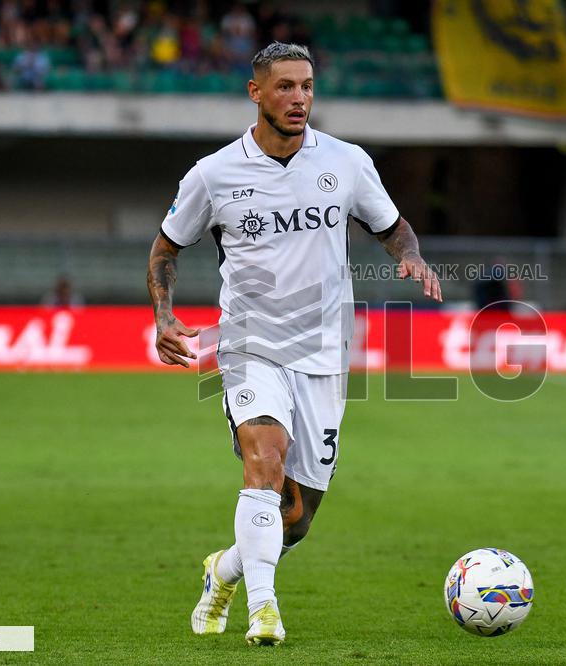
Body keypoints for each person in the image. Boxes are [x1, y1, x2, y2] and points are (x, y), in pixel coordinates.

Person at [145, 42, 442, 646]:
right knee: (264, 461)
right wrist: (164, 315)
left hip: (326, 353)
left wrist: (410, 256)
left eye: (307, 86)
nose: (299, 98)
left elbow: (392, 226)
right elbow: (165, 250)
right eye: (285, 87)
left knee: (296, 521)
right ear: (256, 93)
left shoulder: (348, 162)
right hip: (250, 341)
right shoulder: (214, 173)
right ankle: (264, 611)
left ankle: (223, 570)